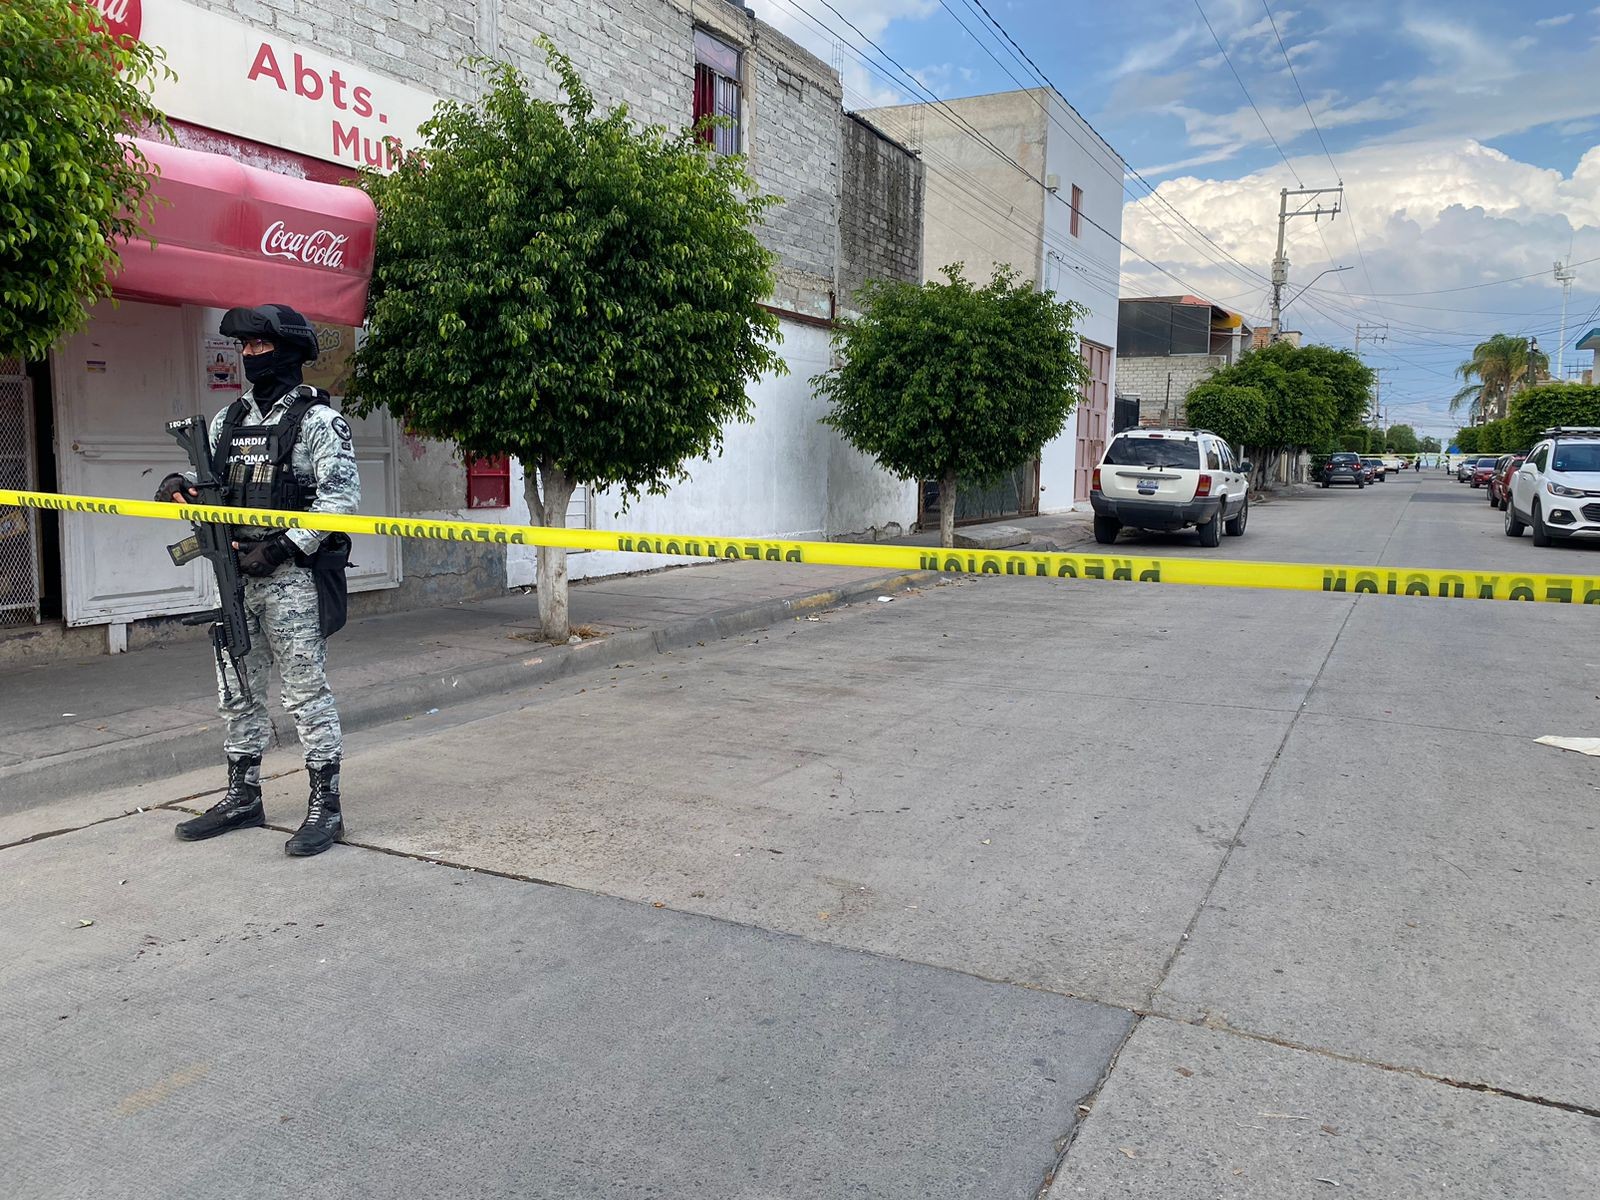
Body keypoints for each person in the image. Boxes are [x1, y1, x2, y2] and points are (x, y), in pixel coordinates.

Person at [155, 304, 360, 857]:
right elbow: (212, 489)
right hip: (233, 578)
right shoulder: (227, 423)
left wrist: (282, 547)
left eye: (260, 347)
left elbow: (339, 501)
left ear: (290, 352)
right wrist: (181, 486)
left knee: (304, 695)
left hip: (292, 580)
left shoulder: (318, 421)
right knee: (236, 693)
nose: (249, 356)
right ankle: (243, 796)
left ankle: (326, 807)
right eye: (243, 348)